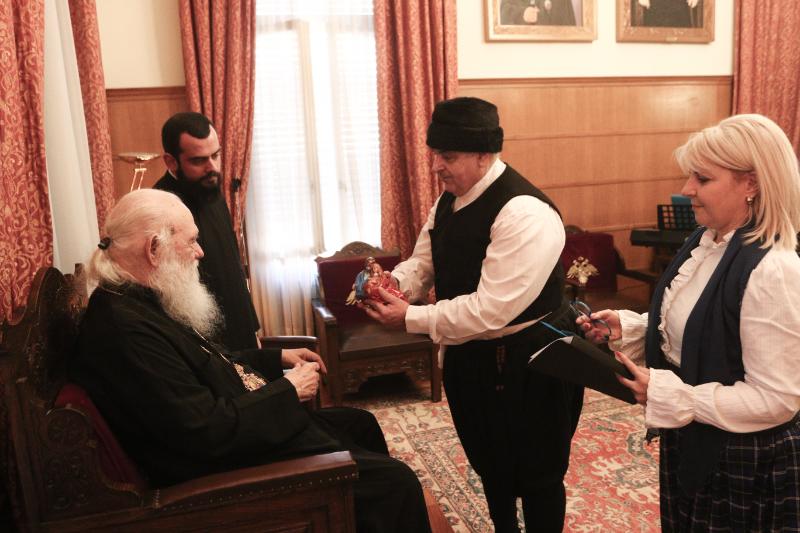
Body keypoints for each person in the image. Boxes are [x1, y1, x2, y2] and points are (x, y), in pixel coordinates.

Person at [70, 189, 431, 533]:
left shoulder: (136, 300)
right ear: (153, 248)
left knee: (360, 424)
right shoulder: (125, 330)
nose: (200, 252)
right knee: (395, 484)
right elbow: (202, 432)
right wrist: (289, 390)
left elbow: (207, 361)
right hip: (222, 470)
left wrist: (276, 358)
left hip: (234, 429)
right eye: (192, 241)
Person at [363, 96, 583, 532]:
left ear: (484, 154)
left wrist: (410, 318)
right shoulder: (448, 200)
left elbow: (490, 310)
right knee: (491, 463)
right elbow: (424, 262)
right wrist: (395, 284)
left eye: (448, 156)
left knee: (538, 473)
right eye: (435, 154)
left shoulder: (525, 213)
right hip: (470, 356)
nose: (436, 167)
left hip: (531, 362)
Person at [579, 114, 800, 531]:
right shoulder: (706, 240)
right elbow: (703, 322)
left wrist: (675, 397)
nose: (687, 190)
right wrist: (633, 327)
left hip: (741, 455)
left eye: (703, 179)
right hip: (697, 434)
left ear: (751, 184)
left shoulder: (773, 270)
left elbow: (777, 400)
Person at [154, 112, 260, 351]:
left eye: (216, 155)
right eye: (198, 160)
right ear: (171, 161)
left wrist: (252, 329)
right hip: (208, 349)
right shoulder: (160, 208)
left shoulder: (210, 188)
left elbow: (233, 266)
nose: (212, 168)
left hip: (241, 335)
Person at [500, 0, 577, 26]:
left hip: (554, 52)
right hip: (522, 51)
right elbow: (503, 16)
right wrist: (522, 14)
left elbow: (571, 31)